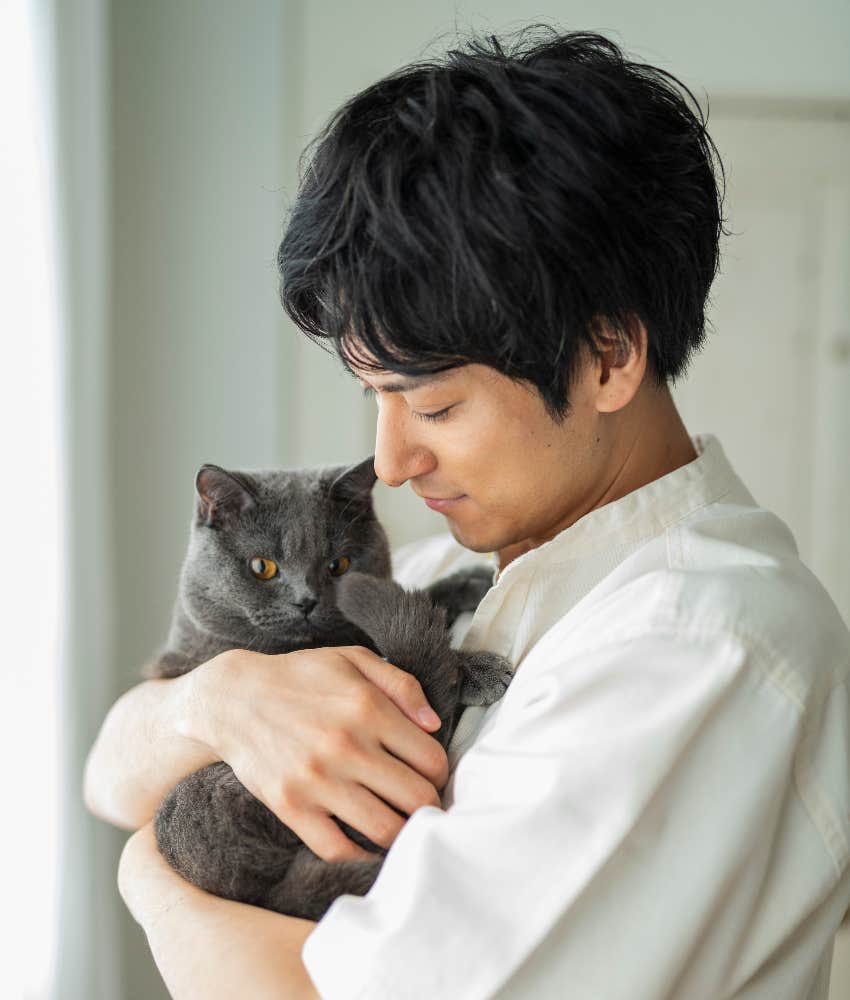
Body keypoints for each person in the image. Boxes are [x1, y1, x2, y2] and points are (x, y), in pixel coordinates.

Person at [86, 25, 850, 999]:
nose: (392, 463)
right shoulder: (461, 578)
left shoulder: (697, 645)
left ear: (608, 357)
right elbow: (110, 772)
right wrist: (215, 698)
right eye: (375, 399)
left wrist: (145, 877)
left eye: (435, 404)